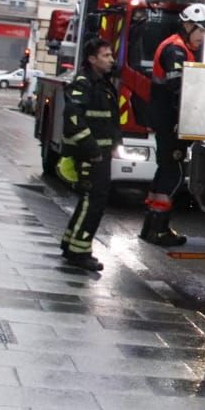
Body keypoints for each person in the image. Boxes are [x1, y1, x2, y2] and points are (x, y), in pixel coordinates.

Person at [141, 3, 205, 246]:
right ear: (188, 26)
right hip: (170, 122)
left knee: (164, 171)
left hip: (166, 120)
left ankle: (150, 227)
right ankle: (158, 229)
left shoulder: (179, 47)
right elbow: (179, 89)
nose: (203, 37)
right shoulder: (176, 50)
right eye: (200, 31)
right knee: (173, 173)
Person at [59, 37, 119, 272]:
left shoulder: (102, 83)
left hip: (101, 153)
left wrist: (115, 143)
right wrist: (93, 151)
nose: (111, 60)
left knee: (89, 200)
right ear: (92, 59)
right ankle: (79, 251)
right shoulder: (84, 84)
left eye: (111, 55)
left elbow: (109, 119)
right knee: (93, 202)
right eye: (106, 56)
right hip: (92, 155)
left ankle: (70, 243)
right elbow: (74, 120)